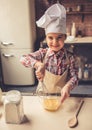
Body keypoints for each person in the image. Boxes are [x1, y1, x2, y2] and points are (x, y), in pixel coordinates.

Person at [20, 3, 78, 103]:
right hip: (43, 96)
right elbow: (23, 58)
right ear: (46, 38)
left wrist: (68, 86)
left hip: (62, 97)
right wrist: (39, 64)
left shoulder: (70, 57)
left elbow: (74, 77)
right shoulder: (42, 53)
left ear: (65, 37)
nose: (55, 42)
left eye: (59, 37)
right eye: (50, 38)